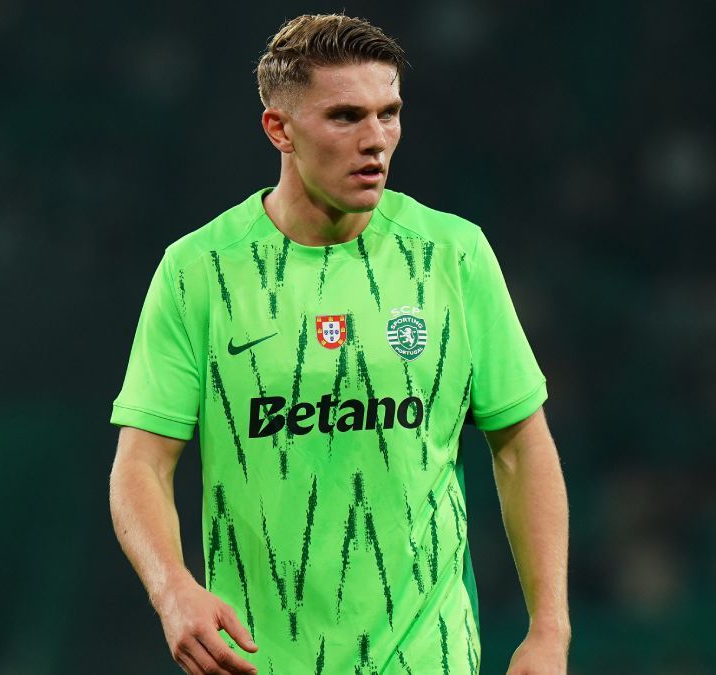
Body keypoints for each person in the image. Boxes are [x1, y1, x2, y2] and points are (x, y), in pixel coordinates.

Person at [108, 13, 569, 675]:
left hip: (428, 657)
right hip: (260, 660)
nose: (375, 139)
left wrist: (549, 629)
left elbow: (523, 447)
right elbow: (141, 465)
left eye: (389, 113)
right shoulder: (198, 271)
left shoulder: (453, 255)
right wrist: (171, 589)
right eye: (346, 117)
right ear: (280, 129)